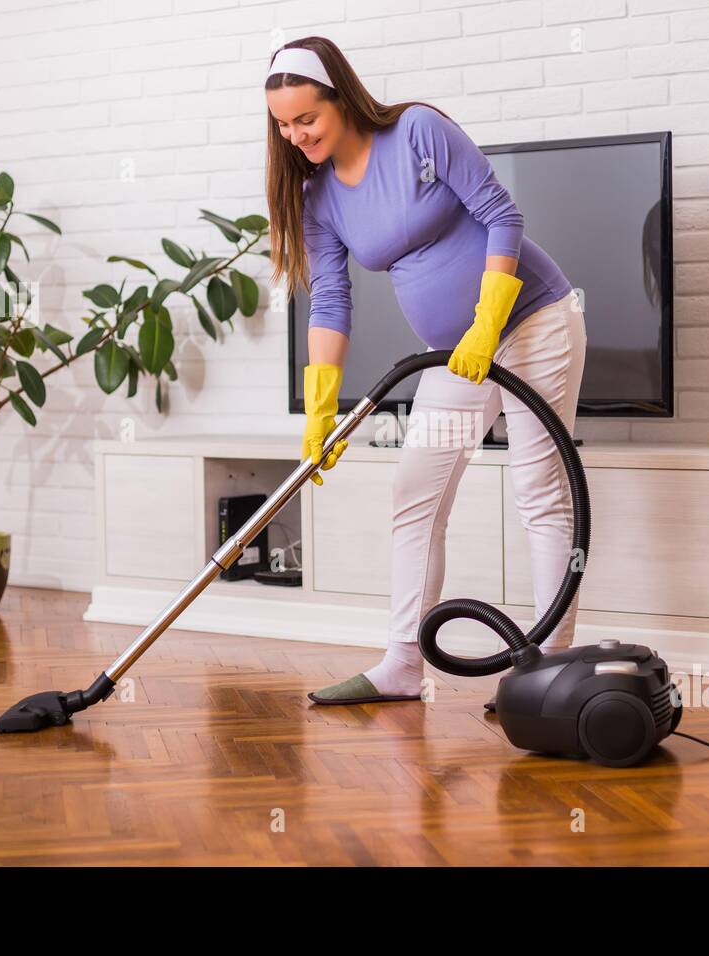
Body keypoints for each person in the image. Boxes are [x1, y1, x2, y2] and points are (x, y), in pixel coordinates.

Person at [263, 37, 587, 706]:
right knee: (415, 494)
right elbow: (329, 300)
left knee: (540, 492)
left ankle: (553, 668)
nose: (296, 136)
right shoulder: (320, 196)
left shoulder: (417, 131)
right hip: (455, 356)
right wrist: (320, 409)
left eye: (307, 120)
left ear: (341, 99)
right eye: (284, 125)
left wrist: (487, 322)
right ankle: (403, 665)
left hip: (532, 324)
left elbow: (503, 215)